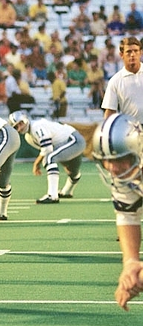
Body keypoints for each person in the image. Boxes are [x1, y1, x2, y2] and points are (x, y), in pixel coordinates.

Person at [91, 113, 143, 311]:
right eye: (107, 160)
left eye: (120, 159)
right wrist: (130, 263)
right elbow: (127, 214)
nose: (112, 168)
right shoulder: (128, 173)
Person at [9, 111, 85, 203]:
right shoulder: (28, 137)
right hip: (69, 141)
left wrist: (37, 163)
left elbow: (47, 149)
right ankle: (67, 191)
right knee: (72, 170)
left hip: (73, 140)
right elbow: (49, 149)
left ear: (25, 120)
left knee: (49, 159)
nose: (20, 127)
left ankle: (52, 195)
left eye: (21, 123)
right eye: (17, 126)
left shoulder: (36, 126)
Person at [102, 37, 143, 123]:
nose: (132, 55)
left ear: (141, 53)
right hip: (131, 131)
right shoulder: (115, 81)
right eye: (128, 52)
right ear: (121, 55)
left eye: (136, 51)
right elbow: (110, 111)